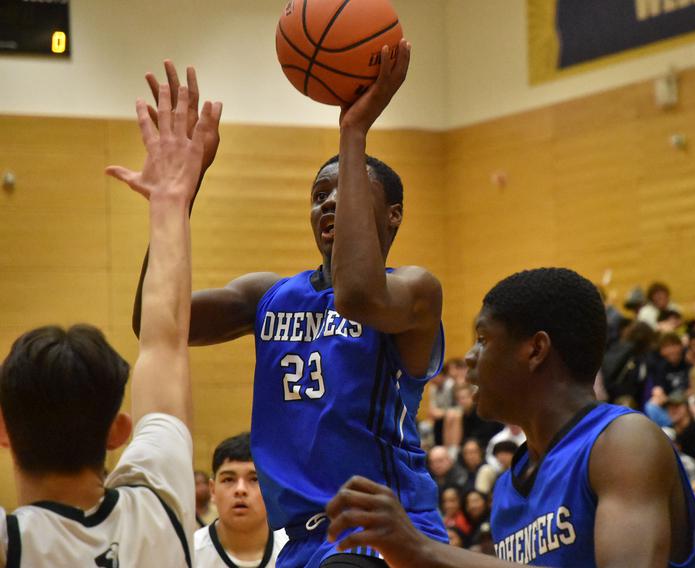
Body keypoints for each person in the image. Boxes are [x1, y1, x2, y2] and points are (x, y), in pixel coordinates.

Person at [130, 45, 450, 568]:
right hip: (300, 545)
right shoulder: (269, 295)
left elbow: (358, 295)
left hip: (383, 533)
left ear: (393, 216)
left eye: (344, 187)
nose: (328, 201)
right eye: (318, 193)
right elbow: (154, 321)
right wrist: (174, 199)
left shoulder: (414, 292)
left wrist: (353, 131)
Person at [324, 268, 695, 566]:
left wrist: (424, 551)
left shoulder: (622, 441)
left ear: (535, 349)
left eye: (483, 338)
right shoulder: (509, 487)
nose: (470, 356)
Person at [0, 79, 218, 565]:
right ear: (118, 431)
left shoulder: (12, 544)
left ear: (3, 428)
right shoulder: (161, 505)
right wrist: (170, 201)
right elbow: (165, 342)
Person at [195, 433, 289, 568]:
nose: (240, 489)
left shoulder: (292, 552)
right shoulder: (189, 553)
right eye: (228, 479)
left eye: (254, 479)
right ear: (212, 490)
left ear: (271, 489)